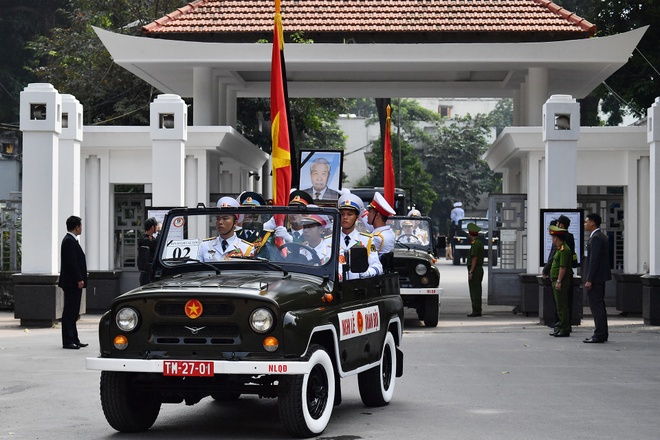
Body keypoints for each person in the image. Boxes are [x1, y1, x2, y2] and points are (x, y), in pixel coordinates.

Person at [58, 215, 88, 349]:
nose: (81, 228)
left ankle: (74, 338)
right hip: (72, 283)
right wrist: (79, 278)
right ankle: (68, 340)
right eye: (80, 226)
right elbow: (72, 263)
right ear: (76, 227)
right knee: (70, 312)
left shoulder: (72, 240)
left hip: (74, 282)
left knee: (74, 312)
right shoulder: (69, 241)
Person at [542, 215, 577, 327]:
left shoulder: (562, 241)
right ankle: (563, 323)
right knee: (564, 301)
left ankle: (562, 324)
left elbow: (554, 258)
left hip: (561, 275)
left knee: (561, 302)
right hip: (566, 274)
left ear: (561, 225)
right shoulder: (570, 237)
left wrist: (546, 270)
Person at [337, 192, 383, 280]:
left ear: (357, 217)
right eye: (342, 214)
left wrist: (365, 273)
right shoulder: (329, 240)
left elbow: (377, 267)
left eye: (349, 214)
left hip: (358, 286)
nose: (345, 217)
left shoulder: (367, 240)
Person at [583, 213, 612, 343]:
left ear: (592, 223)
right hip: (599, 277)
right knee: (599, 305)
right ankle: (602, 333)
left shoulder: (596, 238)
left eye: (586, 222)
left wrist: (589, 279)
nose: (585, 224)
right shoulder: (600, 236)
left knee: (597, 306)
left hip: (596, 279)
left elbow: (594, 261)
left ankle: (599, 334)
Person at [198, 196, 254, 261]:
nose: (220, 222)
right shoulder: (205, 246)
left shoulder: (246, 248)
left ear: (235, 223)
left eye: (225, 218)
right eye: (218, 218)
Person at [548, 225, 573, 338]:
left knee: (562, 306)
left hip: (561, 282)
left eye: (553, 237)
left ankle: (564, 328)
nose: (552, 240)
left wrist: (558, 281)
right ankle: (561, 327)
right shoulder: (560, 249)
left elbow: (563, 267)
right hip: (556, 281)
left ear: (556, 238)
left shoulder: (564, 250)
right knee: (559, 306)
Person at [466, 222, 484, 317]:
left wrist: (471, 272)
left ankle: (476, 310)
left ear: (470, 234)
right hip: (478, 269)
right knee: (476, 290)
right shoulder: (478, 243)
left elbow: (474, 258)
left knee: (475, 291)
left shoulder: (475, 244)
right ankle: (477, 309)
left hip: (475, 270)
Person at [137, 217, 158, 286]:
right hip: (147, 273)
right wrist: (160, 233)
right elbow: (154, 243)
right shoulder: (144, 240)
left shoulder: (152, 239)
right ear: (152, 227)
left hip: (152, 271)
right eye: (155, 226)